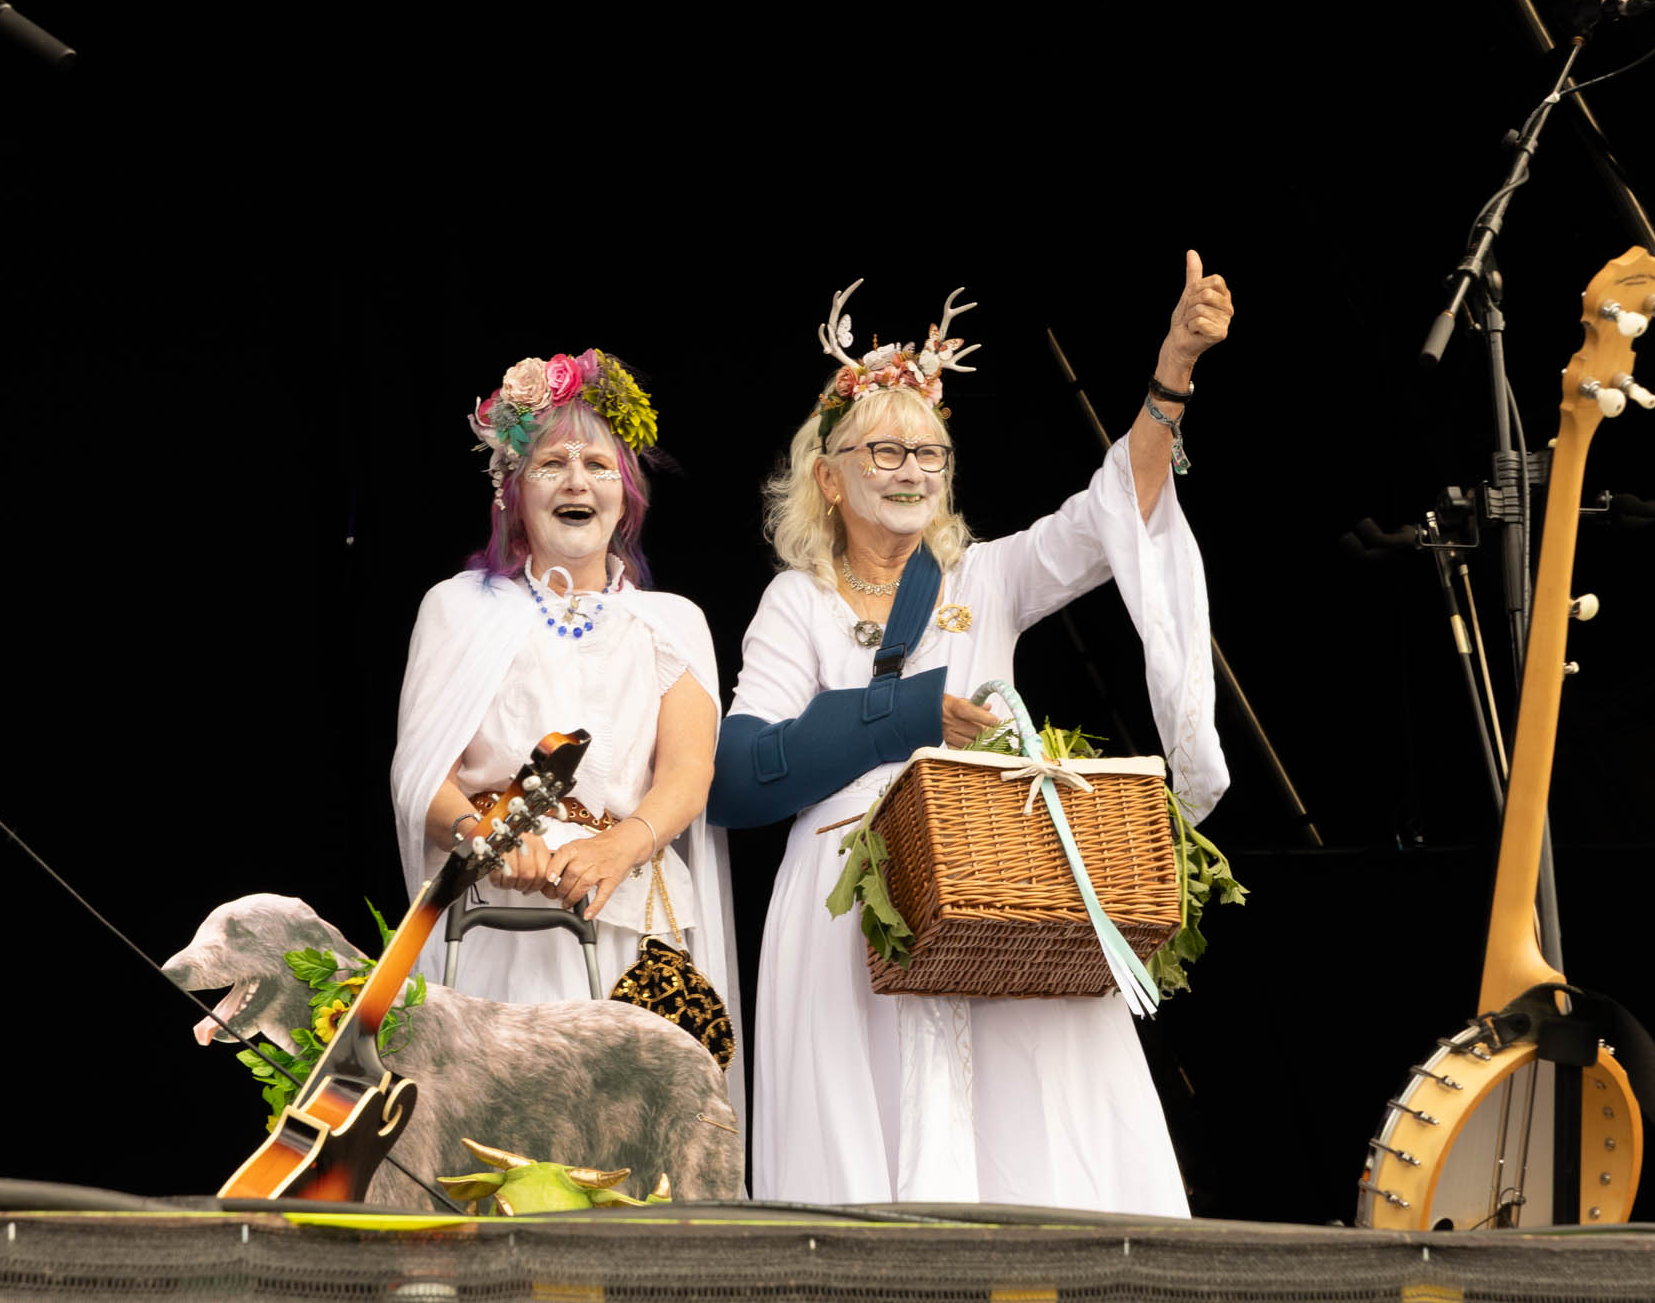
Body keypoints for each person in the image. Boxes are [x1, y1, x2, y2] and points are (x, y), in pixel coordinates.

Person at [708, 254, 1232, 1215]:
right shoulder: (798, 603)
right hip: (846, 918)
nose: (912, 470)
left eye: (930, 454)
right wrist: (908, 715)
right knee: (863, 1179)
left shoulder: (986, 578)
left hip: (993, 895)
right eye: (884, 451)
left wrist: (1173, 375)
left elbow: (1110, 510)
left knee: (1030, 1152)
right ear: (828, 477)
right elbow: (739, 777)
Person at [389, 350, 742, 1112]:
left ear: (626, 496)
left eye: (598, 465)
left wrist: (619, 846)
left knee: (631, 1139)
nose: (577, 481)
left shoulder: (670, 622)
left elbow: (689, 772)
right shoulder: (459, 609)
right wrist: (489, 835)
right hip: (499, 924)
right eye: (552, 464)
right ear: (514, 492)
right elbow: (421, 777)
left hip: (629, 919)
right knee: (500, 1134)